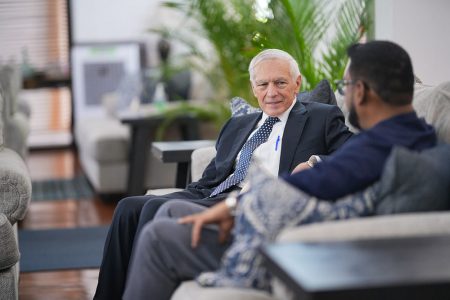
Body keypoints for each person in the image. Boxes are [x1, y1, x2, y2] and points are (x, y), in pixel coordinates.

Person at [122, 41, 437, 300]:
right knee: (170, 209)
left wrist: (235, 206)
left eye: (346, 86)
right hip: (290, 230)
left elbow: (309, 184)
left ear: (362, 92)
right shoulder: (417, 137)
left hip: (295, 248)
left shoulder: (378, 147)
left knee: (160, 235)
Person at [94, 49, 353, 299]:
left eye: (280, 83)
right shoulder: (238, 124)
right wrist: (193, 191)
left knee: (153, 209)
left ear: (297, 83)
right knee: (128, 207)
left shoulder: (321, 116)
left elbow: (353, 153)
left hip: (252, 201)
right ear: (254, 89)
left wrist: (315, 162)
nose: (271, 92)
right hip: (211, 192)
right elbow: (214, 172)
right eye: (263, 85)